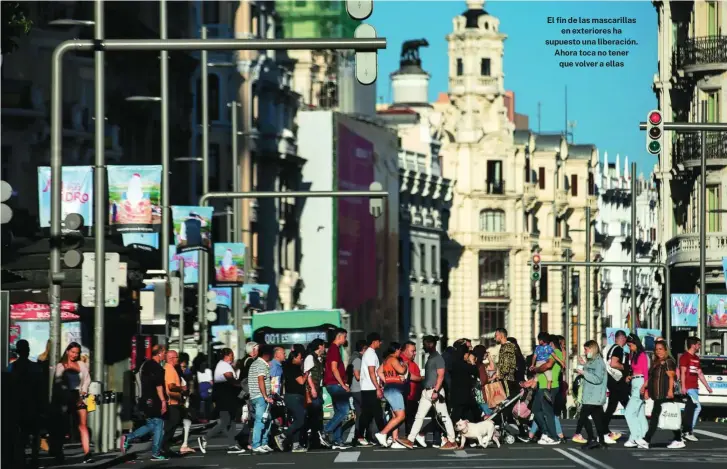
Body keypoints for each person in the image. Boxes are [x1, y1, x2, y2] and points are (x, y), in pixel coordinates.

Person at [406, 335, 457, 450]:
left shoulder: (438, 358)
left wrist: (436, 391)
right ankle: (410, 439)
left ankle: (452, 440)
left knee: (444, 417)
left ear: (431, 344)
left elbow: (441, 376)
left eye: (424, 344)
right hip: (427, 392)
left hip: (435, 391)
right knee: (419, 416)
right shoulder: (430, 358)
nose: (423, 346)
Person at [121, 345, 169, 461]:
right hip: (154, 399)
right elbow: (158, 387)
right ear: (160, 353)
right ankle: (156, 453)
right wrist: (163, 401)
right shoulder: (156, 367)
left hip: (145, 399)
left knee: (151, 424)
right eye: (165, 353)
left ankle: (128, 437)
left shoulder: (145, 365)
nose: (165, 355)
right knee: (158, 424)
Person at [198, 348, 244, 454]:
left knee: (231, 420)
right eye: (232, 355)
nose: (233, 357)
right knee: (225, 421)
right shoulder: (223, 365)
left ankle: (232, 444)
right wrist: (240, 384)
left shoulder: (225, 365)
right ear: (227, 355)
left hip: (228, 397)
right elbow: (230, 379)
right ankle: (204, 438)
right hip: (224, 397)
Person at [641, 341, 684, 449]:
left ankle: (646, 439)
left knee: (655, 417)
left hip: (664, 393)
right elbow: (652, 378)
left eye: (660, 349)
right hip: (657, 394)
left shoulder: (668, 361)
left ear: (665, 350)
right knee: (668, 416)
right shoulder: (656, 362)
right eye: (656, 349)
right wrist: (644, 387)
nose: (658, 351)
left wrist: (670, 390)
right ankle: (678, 438)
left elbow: (671, 377)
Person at [54, 342, 92, 462]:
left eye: (77, 353)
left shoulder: (81, 364)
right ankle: (59, 453)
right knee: (63, 426)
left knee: (83, 425)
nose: (74, 355)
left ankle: (87, 454)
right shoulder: (61, 365)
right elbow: (58, 382)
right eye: (72, 352)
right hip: (66, 397)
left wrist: (84, 391)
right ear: (67, 351)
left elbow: (87, 379)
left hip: (79, 396)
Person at [8, 340, 42, 468]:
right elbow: (40, 388)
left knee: (21, 434)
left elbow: (10, 387)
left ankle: (21, 457)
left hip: (18, 405)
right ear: (27, 351)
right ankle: (34, 457)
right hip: (33, 404)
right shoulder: (35, 368)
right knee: (34, 433)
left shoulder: (12, 367)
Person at [375, 342, 414, 449]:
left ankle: (395, 440)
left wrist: (387, 380)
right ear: (396, 350)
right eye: (400, 350)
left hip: (390, 388)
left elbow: (379, 372)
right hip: (394, 390)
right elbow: (401, 371)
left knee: (395, 416)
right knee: (401, 416)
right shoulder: (393, 359)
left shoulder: (386, 360)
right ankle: (382, 433)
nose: (400, 352)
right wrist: (405, 365)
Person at [574, 341, 610, 449]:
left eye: (586, 349)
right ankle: (601, 441)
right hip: (591, 396)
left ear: (592, 349)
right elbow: (590, 371)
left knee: (583, 417)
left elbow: (597, 378)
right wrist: (584, 365)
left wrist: (583, 373)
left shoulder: (599, 362)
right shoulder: (592, 361)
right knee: (597, 419)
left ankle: (591, 439)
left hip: (594, 396)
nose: (585, 352)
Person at [321, 328, 352, 450]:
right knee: (344, 411)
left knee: (338, 412)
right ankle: (325, 431)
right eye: (344, 337)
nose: (345, 339)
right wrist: (343, 384)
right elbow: (334, 369)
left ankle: (337, 440)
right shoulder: (334, 349)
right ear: (339, 336)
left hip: (333, 385)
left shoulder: (335, 349)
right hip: (335, 385)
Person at [275, 345, 309, 453]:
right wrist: (307, 373)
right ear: (295, 357)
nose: (301, 359)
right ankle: (282, 436)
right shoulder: (293, 367)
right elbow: (301, 381)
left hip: (292, 397)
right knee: (300, 419)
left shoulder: (287, 366)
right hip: (294, 397)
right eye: (300, 358)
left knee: (297, 420)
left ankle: (296, 444)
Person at [680, 336, 712, 441]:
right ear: (693, 345)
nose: (699, 346)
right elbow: (683, 372)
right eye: (698, 344)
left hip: (695, 387)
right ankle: (688, 431)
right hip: (689, 387)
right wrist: (683, 386)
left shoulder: (696, 358)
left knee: (690, 409)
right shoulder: (685, 357)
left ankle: (685, 430)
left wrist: (707, 386)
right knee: (697, 407)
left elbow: (700, 373)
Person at [161, 350, 193, 455]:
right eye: (176, 358)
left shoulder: (170, 368)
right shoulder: (170, 369)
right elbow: (171, 386)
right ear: (171, 358)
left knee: (174, 424)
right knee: (171, 425)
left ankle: (168, 447)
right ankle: (163, 447)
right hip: (172, 402)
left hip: (175, 402)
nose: (178, 360)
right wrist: (182, 388)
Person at [357, 333, 386, 446]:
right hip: (370, 388)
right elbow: (371, 372)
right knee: (377, 413)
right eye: (379, 341)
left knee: (368, 414)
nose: (380, 343)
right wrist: (377, 387)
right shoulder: (370, 354)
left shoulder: (371, 354)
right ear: (374, 342)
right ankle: (384, 434)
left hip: (368, 388)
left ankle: (360, 436)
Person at [602, 330, 630, 441]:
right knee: (627, 405)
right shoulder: (618, 349)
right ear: (622, 338)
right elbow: (614, 363)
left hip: (611, 380)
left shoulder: (610, 347)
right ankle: (637, 429)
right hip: (617, 381)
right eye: (625, 339)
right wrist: (626, 367)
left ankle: (604, 430)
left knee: (612, 406)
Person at [623, 334, 649, 448]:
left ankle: (636, 437)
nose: (629, 347)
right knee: (639, 413)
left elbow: (646, 373)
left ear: (635, 343)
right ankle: (643, 437)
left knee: (629, 412)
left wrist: (645, 387)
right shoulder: (634, 355)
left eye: (630, 345)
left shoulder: (642, 355)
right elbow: (636, 371)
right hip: (635, 381)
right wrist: (630, 376)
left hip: (640, 383)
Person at [249, 345, 275, 454]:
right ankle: (256, 444)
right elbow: (260, 380)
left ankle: (264, 443)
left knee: (267, 419)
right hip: (260, 397)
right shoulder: (261, 364)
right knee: (260, 420)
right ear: (267, 354)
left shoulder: (256, 363)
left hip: (256, 396)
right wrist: (265, 396)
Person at [303, 339, 326, 449]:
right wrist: (312, 388)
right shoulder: (310, 358)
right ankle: (311, 441)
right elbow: (308, 375)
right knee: (313, 416)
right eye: (323, 346)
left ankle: (316, 440)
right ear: (319, 346)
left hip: (318, 389)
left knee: (317, 416)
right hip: (313, 390)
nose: (324, 348)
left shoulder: (318, 359)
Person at [401, 341, 425, 446]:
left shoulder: (411, 362)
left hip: (413, 395)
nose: (415, 353)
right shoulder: (402, 361)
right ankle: (410, 437)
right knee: (410, 417)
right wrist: (421, 378)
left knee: (412, 417)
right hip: (408, 394)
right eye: (413, 351)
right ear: (405, 351)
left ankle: (411, 437)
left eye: (415, 351)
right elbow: (408, 375)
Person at [349, 340, 370, 446]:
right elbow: (357, 376)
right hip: (358, 389)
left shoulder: (355, 357)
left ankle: (358, 437)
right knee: (364, 414)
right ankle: (360, 436)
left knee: (360, 414)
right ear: (364, 349)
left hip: (356, 389)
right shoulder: (357, 359)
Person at [531, 332, 556, 399]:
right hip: (544, 363)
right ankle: (548, 391)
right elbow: (554, 356)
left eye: (539, 340)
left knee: (536, 378)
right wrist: (561, 362)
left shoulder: (537, 348)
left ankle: (531, 389)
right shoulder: (549, 348)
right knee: (549, 378)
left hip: (538, 363)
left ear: (541, 340)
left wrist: (532, 365)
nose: (538, 341)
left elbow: (534, 357)